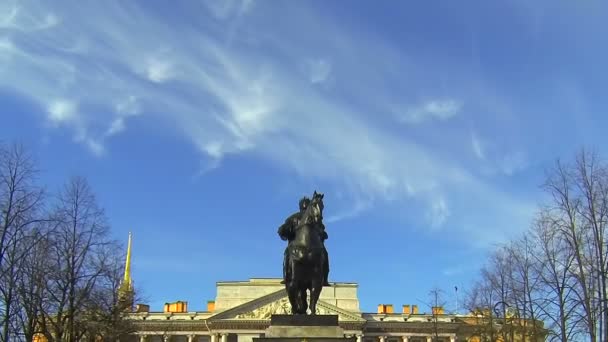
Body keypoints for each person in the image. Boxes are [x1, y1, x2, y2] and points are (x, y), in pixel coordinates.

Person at [278, 196, 330, 286]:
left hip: (296, 247)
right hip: (313, 247)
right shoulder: (296, 218)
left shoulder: (293, 218)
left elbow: (284, 230)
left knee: (287, 255)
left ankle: (287, 276)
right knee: (324, 255)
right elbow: (322, 231)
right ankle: (324, 278)